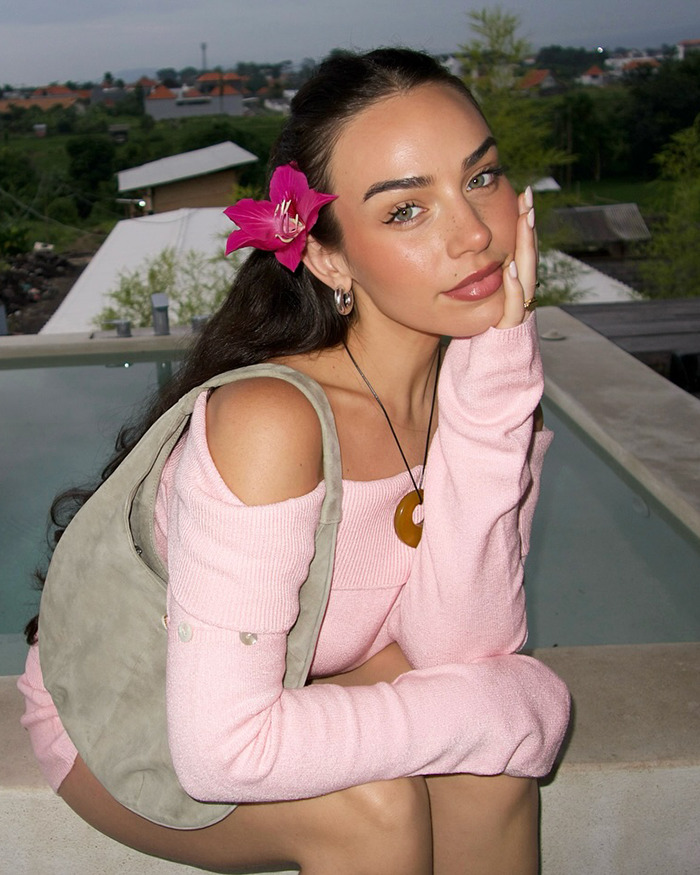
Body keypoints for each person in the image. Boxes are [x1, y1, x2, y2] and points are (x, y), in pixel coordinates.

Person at [18, 48, 569, 875]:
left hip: (301, 686)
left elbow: (465, 642)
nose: (477, 235)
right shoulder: (271, 424)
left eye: (481, 178)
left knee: (488, 777)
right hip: (137, 709)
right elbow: (224, 749)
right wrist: (506, 704)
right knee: (372, 808)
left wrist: (494, 388)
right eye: (406, 211)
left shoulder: (484, 391)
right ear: (329, 257)